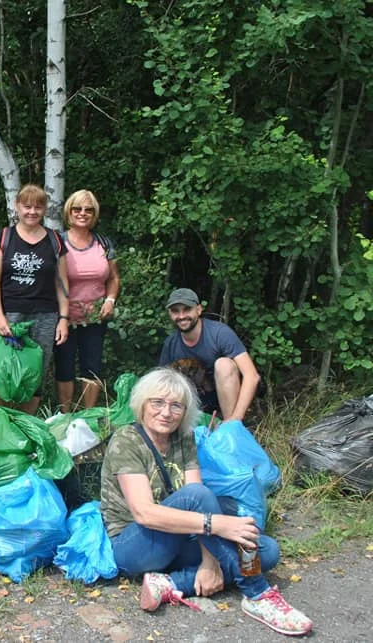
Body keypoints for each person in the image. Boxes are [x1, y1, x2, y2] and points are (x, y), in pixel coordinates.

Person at [100, 367, 311, 636]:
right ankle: (257, 593)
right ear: (142, 403)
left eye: (176, 406)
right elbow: (145, 513)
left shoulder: (183, 437)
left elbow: (196, 496)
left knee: (265, 549)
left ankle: (169, 582)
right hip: (136, 543)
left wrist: (209, 562)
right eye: (158, 403)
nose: (166, 412)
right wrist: (217, 525)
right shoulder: (126, 441)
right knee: (202, 499)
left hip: (178, 533)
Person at [0, 183, 70, 414]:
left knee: (34, 373)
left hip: (45, 315)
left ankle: (26, 424)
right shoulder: (3, 237)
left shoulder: (55, 240)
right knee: (1, 371)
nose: (32, 212)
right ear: (17, 207)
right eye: (27, 206)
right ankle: (1, 423)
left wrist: (63, 318)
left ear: (44, 209)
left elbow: (61, 282)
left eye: (38, 207)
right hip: (10, 312)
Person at [54, 189, 120, 411]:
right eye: (77, 209)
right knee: (64, 367)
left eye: (88, 210)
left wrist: (110, 300)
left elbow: (114, 277)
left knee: (91, 367)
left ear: (95, 214)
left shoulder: (103, 242)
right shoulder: (58, 241)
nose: (83, 213)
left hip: (95, 316)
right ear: (69, 212)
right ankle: (65, 416)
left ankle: (88, 417)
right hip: (64, 317)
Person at [159, 288, 261, 422]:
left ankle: (230, 425)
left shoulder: (220, 333)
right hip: (192, 402)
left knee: (224, 364)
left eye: (187, 309)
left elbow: (252, 376)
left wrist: (237, 417)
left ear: (199, 310)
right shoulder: (171, 343)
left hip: (224, 398)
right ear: (170, 314)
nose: (181, 316)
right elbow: (160, 383)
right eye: (175, 311)